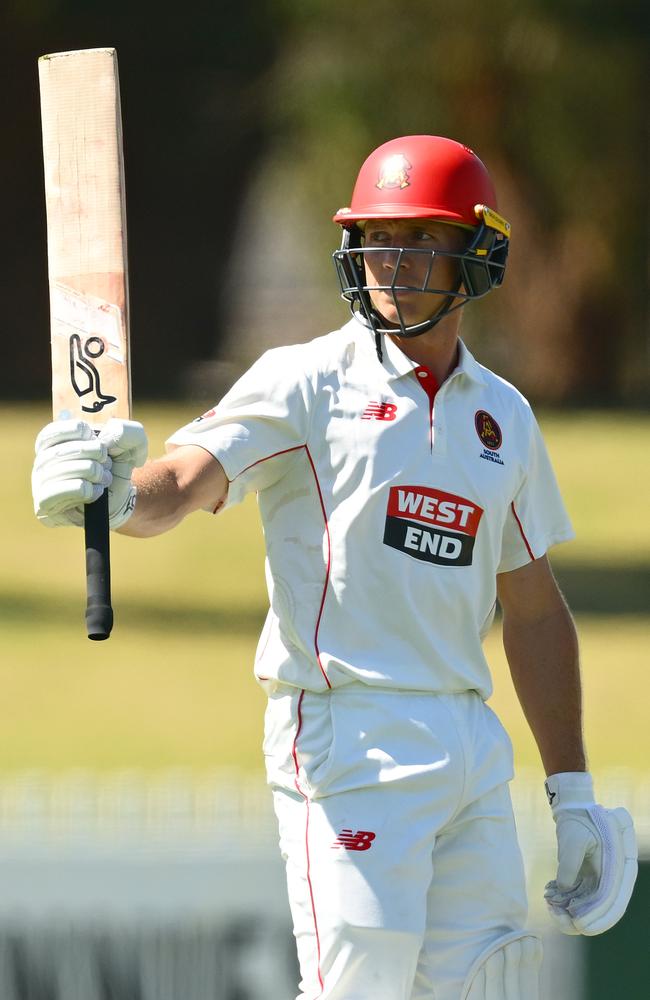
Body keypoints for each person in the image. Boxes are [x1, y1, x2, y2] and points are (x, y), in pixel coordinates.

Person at [32, 135, 637, 1000]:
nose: (393, 262)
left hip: (469, 738)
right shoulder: (303, 382)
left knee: (496, 984)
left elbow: (536, 611)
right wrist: (116, 495)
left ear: (476, 251)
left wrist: (572, 790)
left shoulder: (503, 418)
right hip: (347, 734)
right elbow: (185, 482)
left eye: (421, 239)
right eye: (379, 238)